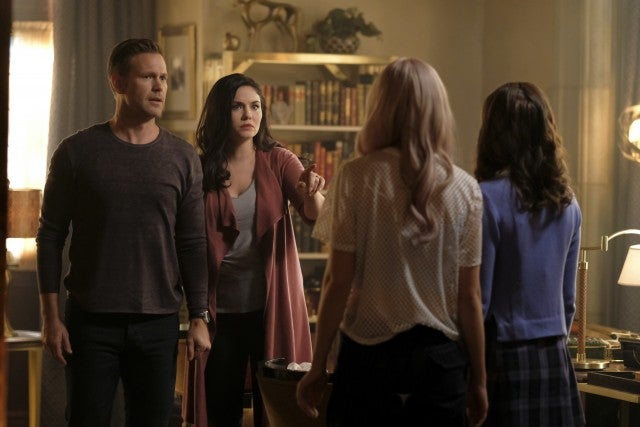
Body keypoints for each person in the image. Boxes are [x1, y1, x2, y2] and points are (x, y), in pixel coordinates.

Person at [296, 57, 488, 427]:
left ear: (380, 107)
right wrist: (478, 380)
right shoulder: (466, 189)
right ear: (439, 111)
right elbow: (469, 297)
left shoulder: (356, 177)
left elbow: (338, 281)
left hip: (369, 362)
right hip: (439, 364)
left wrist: (318, 365)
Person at [36, 38, 211, 427]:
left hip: (159, 322)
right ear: (117, 82)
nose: (159, 86)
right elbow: (49, 236)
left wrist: (199, 315)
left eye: (163, 78)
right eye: (148, 77)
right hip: (90, 321)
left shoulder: (182, 158)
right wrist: (50, 318)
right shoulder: (76, 152)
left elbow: (192, 243)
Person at [188, 72, 324, 426]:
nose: (249, 114)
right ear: (221, 112)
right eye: (238, 107)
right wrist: (196, 312)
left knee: (279, 410)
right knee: (221, 410)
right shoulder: (200, 169)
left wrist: (312, 192)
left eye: (256, 106)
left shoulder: (279, 160)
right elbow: (189, 243)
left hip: (272, 307)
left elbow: (316, 216)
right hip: (220, 313)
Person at [474, 82, 585, 426]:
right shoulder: (568, 203)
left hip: (503, 355)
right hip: (554, 354)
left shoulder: (485, 198)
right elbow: (568, 300)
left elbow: (480, 300)